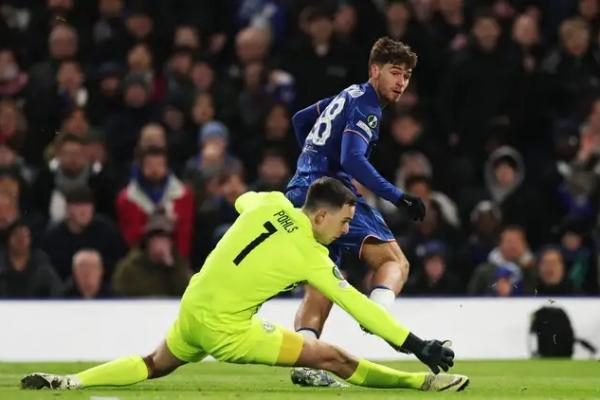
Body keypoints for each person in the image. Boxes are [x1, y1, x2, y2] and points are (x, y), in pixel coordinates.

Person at [20, 177, 467, 392]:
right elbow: (360, 307)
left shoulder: (269, 203)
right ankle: (420, 384)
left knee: (154, 363)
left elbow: (242, 198)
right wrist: (417, 344)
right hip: (226, 330)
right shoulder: (312, 257)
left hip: (193, 308)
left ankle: (71, 382)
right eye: (345, 222)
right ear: (320, 215)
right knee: (330, 356)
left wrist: (264, 208)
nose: (346, 231)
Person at [285, 36, 426, 385]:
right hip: (330, 193)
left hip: (300, 191)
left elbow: (300, 120)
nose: (401, 82)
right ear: (374, 70)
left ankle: (305, 361)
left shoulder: (347, 95)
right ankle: (376, 316)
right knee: (395, 262)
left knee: (322, 280)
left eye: (406, 76)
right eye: (395, 72)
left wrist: (311, 161)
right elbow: (352, 158)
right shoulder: (368, 107)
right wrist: (398, 196)